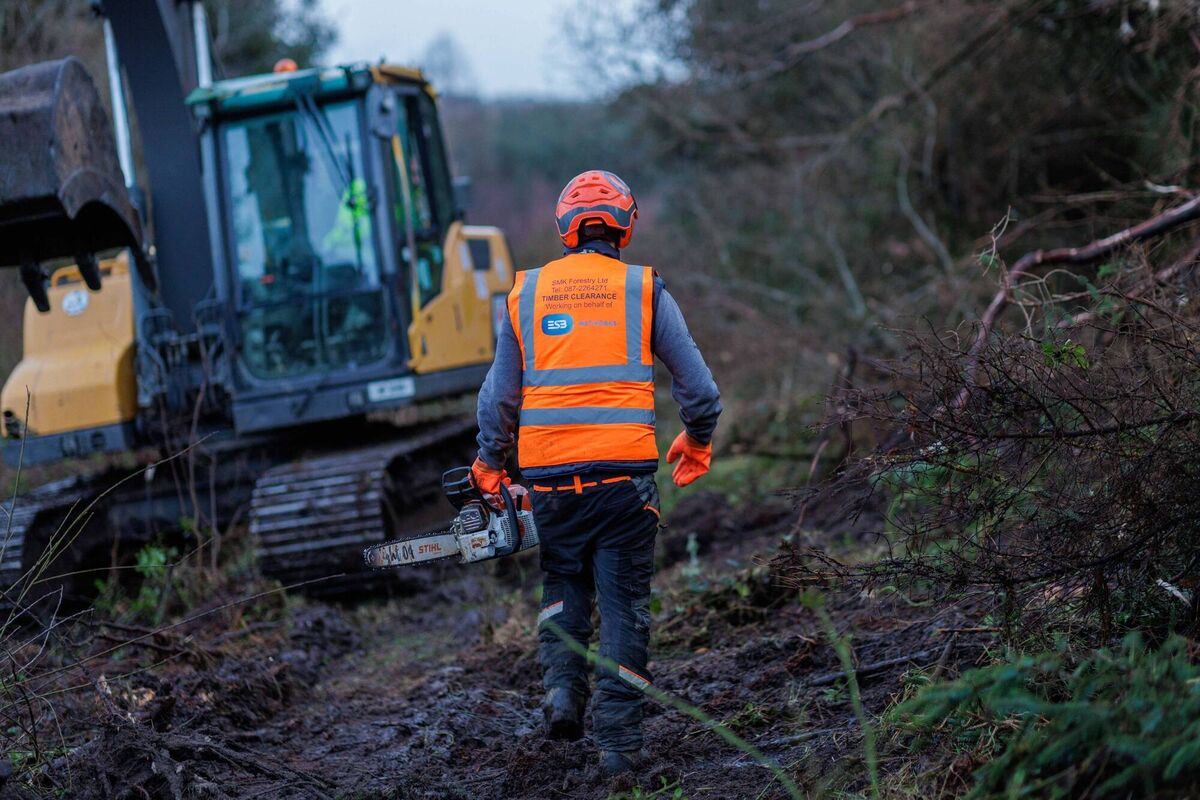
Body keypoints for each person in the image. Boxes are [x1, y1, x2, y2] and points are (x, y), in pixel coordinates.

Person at [472, 169, 722, 776]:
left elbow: (498, 400)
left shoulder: (524, 293)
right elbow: (702, 392)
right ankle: (617, 744)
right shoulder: (644, 290)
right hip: (624, 486)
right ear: (627, 226)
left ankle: (563, 691)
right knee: (624, 605)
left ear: (565, 229)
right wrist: (696, 438)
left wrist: (489, 462)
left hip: (550, 485)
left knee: (563, 580)